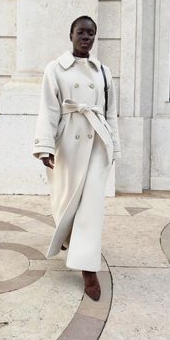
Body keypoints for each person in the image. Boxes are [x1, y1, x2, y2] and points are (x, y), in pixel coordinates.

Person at [33, 15, 121, 301]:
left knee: (91, 206)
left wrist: (114, 147)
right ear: (70, 35)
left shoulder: (104, 72)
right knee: (65, 199)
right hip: (68, 140)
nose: (87, 38)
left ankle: (87, 269)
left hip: (97, 141)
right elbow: (48, 109)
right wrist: (44, 147)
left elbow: (110, 114)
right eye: (82, 32)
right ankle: (67, 234)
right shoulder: (55, 69)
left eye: (91, 33)